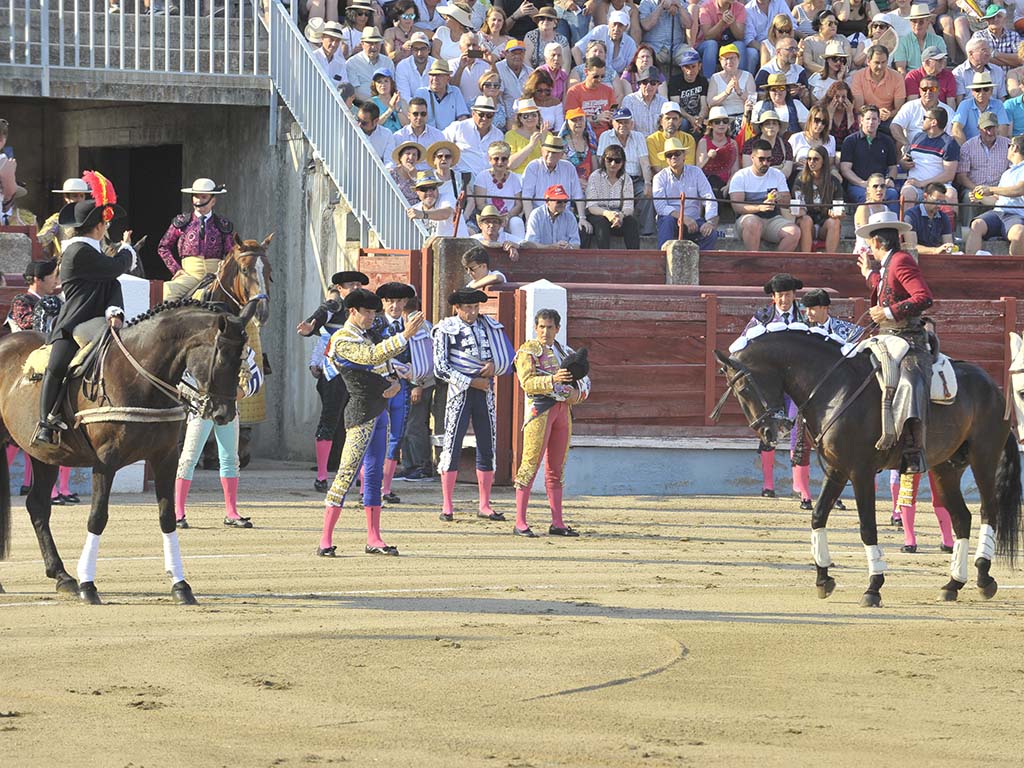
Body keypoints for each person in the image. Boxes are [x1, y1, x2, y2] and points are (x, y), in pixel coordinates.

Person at [317, 288, 426, 557]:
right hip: (361, 413)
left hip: (379, 411)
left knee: (374, 475)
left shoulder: (365, 335)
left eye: (373, 313)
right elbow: (370, 358)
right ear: (352, 311)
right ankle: (324, 540)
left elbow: (382, 363)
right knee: (347, 472)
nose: (371, 318)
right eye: (367, 312)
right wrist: (405, 336)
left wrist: (396, 377)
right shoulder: (342, 339)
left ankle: (374, 537)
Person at [35, 172, 138, 446]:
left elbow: (112, 281)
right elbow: (116, 268)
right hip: (72, 323)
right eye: (105, 223)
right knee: (56, 367)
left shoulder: (93, 252)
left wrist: (115, 310)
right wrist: (127, 250)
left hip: (98, 321)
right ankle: (45, 421)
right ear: (99, 227)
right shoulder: (78, 252)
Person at [856, 210, 934, 474]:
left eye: (870, 242)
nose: (869, 247)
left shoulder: (901, 260)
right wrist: (869, 274)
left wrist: (888, 313)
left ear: (878, 242)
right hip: (888, 336)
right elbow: (886, 288)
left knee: (911, 383)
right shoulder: (891, 262)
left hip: (909, 338)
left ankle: (913, 451)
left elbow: (923, 297)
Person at [432, 287, 515, 522]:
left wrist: (493, 366)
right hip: (459, 393)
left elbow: (506, 357)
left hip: (485, 392)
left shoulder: (489, 326)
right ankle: (447, 505)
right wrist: (471, 382)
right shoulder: (445, 329)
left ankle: (485, 504)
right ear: (457, 308)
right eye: (468, 308)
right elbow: (440, 368)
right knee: (452, 446)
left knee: (487, 445)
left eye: (476, 308)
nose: (472, 312)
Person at [512, 308, 591, 537]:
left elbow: (585, 382)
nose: (545, 331)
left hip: (563, 411)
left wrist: (578, 396)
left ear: (558, 329)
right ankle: (520, 522)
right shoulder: (527, 351)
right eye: (541, 327)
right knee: (529, 465)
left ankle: (557, 523)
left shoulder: (565, 351)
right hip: (540, 410)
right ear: (535, 328)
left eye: (550, 327)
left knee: (556, 469)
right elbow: (527, 383)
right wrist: (553, 379)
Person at [174, 340, 263, 529]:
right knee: (189, 459)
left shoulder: (240, 349)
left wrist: (239, 392)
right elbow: (182, 377)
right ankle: (178, 512)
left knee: (229, 459)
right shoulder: (201, 347)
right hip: (203, 406)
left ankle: (231, 512)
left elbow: (256, 378)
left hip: (224, 407)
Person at [298, 270, 370, 493]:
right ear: (340, 289)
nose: (356, 288)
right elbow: (321, 315)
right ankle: (322, 476)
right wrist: (311, 326)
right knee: (330, 420)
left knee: (361, 423)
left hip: (361, 374)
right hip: (335, 374)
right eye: (351, 284)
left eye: (359, 284)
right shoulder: (335, 306)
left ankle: (361, 476)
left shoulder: (367, 307)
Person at [744, 272, 806, 498]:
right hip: (771, 384)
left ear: (794, 295)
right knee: (768, 431)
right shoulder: (762, 317)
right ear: (773, 296)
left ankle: (798, 485)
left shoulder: (805, 316)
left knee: (797, 429)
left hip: (798, 383)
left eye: (788, 295)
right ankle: (768, 485)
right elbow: (746, 343)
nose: (784, 300)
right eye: (780, 295)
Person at [369, 282, 419, 505]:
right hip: (378, 387)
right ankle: (369, 485)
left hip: (404, 387)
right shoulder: (374, 326)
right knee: (372, 435)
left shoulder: (415, 326)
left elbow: (423, 355)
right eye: (390, 302)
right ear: (383, 303)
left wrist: (417, 376)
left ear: (405, 303)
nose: (395, 306)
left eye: (399, 301)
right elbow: (369, 355)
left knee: (395, 435)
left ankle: (386, 488)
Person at [158, 177, 235, 300]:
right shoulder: (182, 222)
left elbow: (232, 253)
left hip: (216, 276)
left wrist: (224, 271)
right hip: (190, 275)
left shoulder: (222, 224)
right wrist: (176, 269)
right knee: (166, 292)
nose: (199, 201)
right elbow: (163, 247)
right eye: (196, 196)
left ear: (213, 201)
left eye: (204, 197)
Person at [729, 138, 801, 250]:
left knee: (794, 232)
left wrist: (780, 197)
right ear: (752, 157)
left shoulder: (777, 174)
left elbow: (787, 202)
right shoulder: (740, 176)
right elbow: (736, 207)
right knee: (753, 223)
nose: (765, 163)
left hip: (773, 219)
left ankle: (774, 264)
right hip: (747, 219)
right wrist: (759, 207)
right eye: (761, 159)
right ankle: (754, 263)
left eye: (769, 159)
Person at [653, 136, 719, 248]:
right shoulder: (659, 177)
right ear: (666, 158)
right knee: (667, 221)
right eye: (669, 155)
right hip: (672, 221)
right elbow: (660, 207)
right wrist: (683, 218)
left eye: (677, 153)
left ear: (684, 155)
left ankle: (699, 263)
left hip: (694, 221)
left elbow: (708, 198)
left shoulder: (696, 172)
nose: (673, 157)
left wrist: (709, 222)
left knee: (711, 234)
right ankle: (664, 260)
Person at [598, 107, 654, 234]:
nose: (623, 125)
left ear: (632, 123)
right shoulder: (605, 136)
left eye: (626, 122)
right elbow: (601, 163)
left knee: (647, 195)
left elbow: (644, 162)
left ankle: (646, 233)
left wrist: (647, 183)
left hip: (635, 180)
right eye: (619, 122)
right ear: (613, 123)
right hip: (614, 180)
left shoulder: (639, 137)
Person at [965, 134, 1024, 255]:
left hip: (1016, 215)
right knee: (976, 225)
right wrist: (979, 198)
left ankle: (1016, 271)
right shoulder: (1007, 173)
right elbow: (996, 199)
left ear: (1015, 148)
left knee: (1019, 233)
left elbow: (1019, 190)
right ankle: (970, 267)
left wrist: (990, 189)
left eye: (1009, 146)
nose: (1007, 149)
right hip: (997, 213)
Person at [521, 134, 588, 225]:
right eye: (548, 151)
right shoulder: (533, 167)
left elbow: (577, 194)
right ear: (542, 151)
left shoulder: (569, 167)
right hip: (539, 215)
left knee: (583, 228)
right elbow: (526, 197)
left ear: (561, 154)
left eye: (554, 152)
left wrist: (582, 218)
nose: (550, 155)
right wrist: (529, 221)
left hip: (564, 215)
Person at [839, 105, 899, 205]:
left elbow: (893, 167)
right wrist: (862, 183)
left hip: (881, 186)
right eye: (868, 119)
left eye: (874, 119)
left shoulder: (887, 141)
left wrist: (890, 179)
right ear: (861, 120)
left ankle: (891, 221)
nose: (871, 122)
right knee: (868, 197)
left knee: (892, 194)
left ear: (879, 121)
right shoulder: (850, 141)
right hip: (858, 186)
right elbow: (845, 169)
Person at [899, 107, 959, 205]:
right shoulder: (918, 137)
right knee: (907, 193)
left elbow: (949, 175)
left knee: (951, 194)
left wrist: (923, 183)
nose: (922, 121)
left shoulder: (949, 143)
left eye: (925, 118)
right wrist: (903, 163)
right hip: (914, 186)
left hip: (939, 187)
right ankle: (906, 221)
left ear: (933, 122)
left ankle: (951, 220)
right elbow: (906, 159)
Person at [956, 111, 1010, 218]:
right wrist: (978, 189)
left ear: (998, 127)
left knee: (1009, 199)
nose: (990, 132)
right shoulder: (968, 146)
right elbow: (962, 176)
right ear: (979, 128)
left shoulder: (1008, 145)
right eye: (986, 128)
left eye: (993, 128)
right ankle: (967, 231)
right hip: (974, 188)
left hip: (999, 190)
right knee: (969, 197)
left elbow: (1012, 172)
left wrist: (997, 191)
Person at [586, 143, 641, 248]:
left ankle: (634, 257)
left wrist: (620, 215)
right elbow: (592, 206)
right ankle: (604, 258)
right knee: (602, 222)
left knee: (631, 222)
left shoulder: (626, 178)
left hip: (618, 216)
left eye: (617, 160)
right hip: (599, 215)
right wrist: (608, 214)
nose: (613, 163)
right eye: (609, 159)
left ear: (623, 162)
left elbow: (629, 206)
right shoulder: (595, 176)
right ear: (603, 160)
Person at [792, 146, 844, 251]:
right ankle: (806, 259)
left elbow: (839, 207)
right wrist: (799, 211)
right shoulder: (800, 180)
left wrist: (838, 213)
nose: (811, 162)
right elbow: (797, 205)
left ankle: (829, 261)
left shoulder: (833, 181)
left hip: (824, 223)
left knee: (835, 222)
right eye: (809, 159)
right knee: (806, 220)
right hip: (806, 223)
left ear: (823, 161)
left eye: (815, 159)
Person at [444, 95, 506, 176]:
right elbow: (439, 145)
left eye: (489, 115)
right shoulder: (458, 127)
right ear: (473, 114)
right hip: (462, 177)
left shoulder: (498, 135)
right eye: (481, 114)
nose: (485, 118)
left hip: (488, 178)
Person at [890, 73, 955, 148]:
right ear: (920, 91)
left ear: (939, 90)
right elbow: (895, 125)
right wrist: (906, 144)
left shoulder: (948, 110)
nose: (928, 92)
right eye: (924, 89)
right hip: (912, 152)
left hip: (937, 152)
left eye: (932, 89)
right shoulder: (910, 106)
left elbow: (952, 135)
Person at [850, 44, 907, 128]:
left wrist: (889, 114)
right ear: (868, 61)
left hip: (888, 118)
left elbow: (899, 108)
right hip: (866, 117)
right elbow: (858, 107)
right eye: (876, 62)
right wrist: (875, 113)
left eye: (883, 62)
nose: (880, 66)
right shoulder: (858, 76)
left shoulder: (897, 77)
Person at [707, 44, 757, 134]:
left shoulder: (748, 76)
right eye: (726, 59)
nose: (729, 61)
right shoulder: (715, 78)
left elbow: (753, 101)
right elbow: (710, 103)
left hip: (743, 115)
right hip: (723, 118)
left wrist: (739, 92)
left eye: (732, 58)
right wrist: (726, 92)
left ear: (738, 59)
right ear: (720, 61)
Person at [573, 9, 639, 74]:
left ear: (626, 27)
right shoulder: (600, 31)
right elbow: (576, 50)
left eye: (620, 25)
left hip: (616, 80)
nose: (616, 29)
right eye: (614, 24)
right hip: (593, 75)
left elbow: (631, 68)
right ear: (609, 23)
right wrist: (583, 73)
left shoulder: (630, 44)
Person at [952, 71, 1011, 143]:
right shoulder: (965, 105)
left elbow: (1003, 129)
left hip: (993, 146)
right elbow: (956, 129)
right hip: (969, 147)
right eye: (977, 90)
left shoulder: (998, 104)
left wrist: (996, 148)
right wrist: (966, 150)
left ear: (991, 91)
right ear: (972, 92)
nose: (981, 93)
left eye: (986, 89)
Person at [694, 0, 750, 76]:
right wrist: (722, 22)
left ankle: (741, 81)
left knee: (740, 45)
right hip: (706, 46)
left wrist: (732, 23)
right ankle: (708, 81)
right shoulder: (706, 7)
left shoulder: (740, 7)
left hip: (728, 44)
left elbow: (740, 37)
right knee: (711, 44)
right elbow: (708, 36)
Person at [696, 106, 741, 199]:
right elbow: (698, 169)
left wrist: (729, 185)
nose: (721, 124)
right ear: (711, 125)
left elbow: (735, 169)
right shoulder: (703, 142)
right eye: (717, 122)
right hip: (708, 181)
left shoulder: (732, 143)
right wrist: (708, 157)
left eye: (725, 121)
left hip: (727, 182)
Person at [38, 177, 89, 260]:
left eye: (82, 196)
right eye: (75, 196)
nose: (79, 199)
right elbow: (42, 240)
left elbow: (103, 246)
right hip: (64, 265)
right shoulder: (57, 219)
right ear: (66, 197)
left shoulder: (92, 217)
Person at [565, 57, 617, 136]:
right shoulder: (574, 92)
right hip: (583, 136)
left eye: (602, 76)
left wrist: (612, 118)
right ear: (586, 72)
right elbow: (573, 122)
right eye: (595, 76)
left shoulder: (608, 91)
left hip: (605, 135)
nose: (599, 80)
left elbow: (613, 115)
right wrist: (596, 118)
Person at [408, 171, 470, 237]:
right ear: (417, 192)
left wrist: (423, 214)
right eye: (424, 189)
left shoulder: (447, 197)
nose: (429, 192)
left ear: (437, 189)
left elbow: (446, 213)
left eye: (432, 188)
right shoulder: (415, 209)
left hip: (457, 245)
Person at [415, 59, 471, 130]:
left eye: (439, 75)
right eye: (432, 75)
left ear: (448, 78)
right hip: (427, 136)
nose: (435, 78)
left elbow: (463, 117)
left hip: (450, 137)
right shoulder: (421, 93)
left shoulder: (455, 91)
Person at [904, 182, 956, 254]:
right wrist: (935, 250)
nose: (939, 205)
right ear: (925, 196)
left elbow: (948, 245)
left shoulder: (944, 217)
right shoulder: (911, 215)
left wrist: (947, 248)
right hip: (915, 260)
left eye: (942, 202)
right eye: (936, 201)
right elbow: (912, 247)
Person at [893, 4, 946, 73]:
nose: (917, 25)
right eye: (914, 21)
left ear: (928, 22)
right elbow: (901, 68)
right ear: (910, 22)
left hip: (934, 78)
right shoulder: (902, 42)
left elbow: (943, 64)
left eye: (921, 22)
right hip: (912, 79)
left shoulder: (938, 40)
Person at [647, 101, 697, 174]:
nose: (671, 122)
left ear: (680, 122)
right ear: (661, 121)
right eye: (667, 118)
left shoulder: (688, 139)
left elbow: (688, 167)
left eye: (675, 119)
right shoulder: (652, 140)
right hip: (663, 180)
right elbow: (657, 169)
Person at [789, 104, 837, 178]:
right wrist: (796, 164)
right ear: (810, 120)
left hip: (823, 176)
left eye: (823, 122)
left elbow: (830, 164)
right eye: (817, 120)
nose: (820, 125)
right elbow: (787, 162)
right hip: (801, 174)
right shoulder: (796, 138)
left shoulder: (831, 140)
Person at [742, 109, 794, 177]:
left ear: (779, 127)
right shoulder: (749, 144)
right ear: (761, 127)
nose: (771, 126)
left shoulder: (786, 145)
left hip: (778, 181)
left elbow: (787, 171)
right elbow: (747, 168)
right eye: (767, 124)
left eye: (774, 124)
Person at [853, 172, 892, 255]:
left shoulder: (886, 209)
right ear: (868, 189)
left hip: (882, 251)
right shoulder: (863, 207)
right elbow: (866, 235)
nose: (879, 189)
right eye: (875, 186)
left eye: (882, 186)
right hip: (865, 252)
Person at [559, 107, 600, 185]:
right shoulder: (562, 143)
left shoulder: (591, 142)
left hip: (588, 186)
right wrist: (577, 182)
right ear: (567, 123)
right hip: (567, 185)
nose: (578, 123)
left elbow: (595, 170)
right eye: (574, 120)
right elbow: (561, 170)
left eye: (580, 119)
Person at [450, 33, 493, 105]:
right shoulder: (452, 64)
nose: (471, 48)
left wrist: (492, 63)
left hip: (480, 108)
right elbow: (452, 88)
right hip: (458, 108)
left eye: (474, 45)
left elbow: (495, 85)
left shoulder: (486, 65)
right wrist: (461, 68)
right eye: (468, 45)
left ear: (479, 47)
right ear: (461, 47)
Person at [672, 53, 708, 136]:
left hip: (698, 116)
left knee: (705, 124)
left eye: (693, 66)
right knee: (684, 123)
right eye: (686, 67)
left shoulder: (703, 81)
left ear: (699, 66)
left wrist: (700, 118)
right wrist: (690, 118)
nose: (690, 71)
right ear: (682, 68)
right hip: (683, 116)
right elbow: (676, 106)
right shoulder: (675, 81)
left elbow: (704, 105)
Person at [396, 31, 436, 102]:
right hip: (411, 110)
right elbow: (404, 97)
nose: (419, 53)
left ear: (429, 49)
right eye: (416, 49)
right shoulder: (403, 66)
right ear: (411, 50)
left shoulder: (436, 64)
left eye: (423, 49)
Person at [349, 27, 388, 101]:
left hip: (386, 104)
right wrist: (374, 104)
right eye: (370, 43)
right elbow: (355, 92)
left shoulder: (387, 62)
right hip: (362, 106)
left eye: (376, 43)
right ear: (362, 44)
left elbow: (392, 87)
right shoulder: (352, 63)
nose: (374, 47)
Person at [496, 39, 531, 115]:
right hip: (505, 115)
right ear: (506, 54)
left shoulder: (530, 72)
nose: (517, 56)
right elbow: (498, 96)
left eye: (520, 53)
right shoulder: (498, 69)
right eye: (514, 53)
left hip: (526, 115)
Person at [312, 21, 349, 85]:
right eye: (331, 39)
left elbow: (344, 86)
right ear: (322, 38)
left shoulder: (341, 63)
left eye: (337, 41)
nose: (334, 44)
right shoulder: (312, 58)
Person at [390, 140, 425, 205]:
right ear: (400, 157)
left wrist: (415, 178)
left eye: (414, 155)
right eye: (408, 153)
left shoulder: (421, 175)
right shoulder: (391, 174)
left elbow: (425, 196)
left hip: (417, 210)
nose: (411, 157)